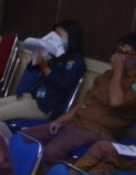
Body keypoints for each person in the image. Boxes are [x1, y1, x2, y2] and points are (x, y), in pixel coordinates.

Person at [23, 33, 136, 166]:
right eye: (118, 52)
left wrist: (118, 70)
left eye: (126, 54)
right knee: (25, 138)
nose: (120, 58)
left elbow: (116, 102)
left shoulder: (129, 81)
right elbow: (85, 103)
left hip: (96, 131)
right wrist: (62, 120)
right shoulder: (106, 76)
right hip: (76, 122)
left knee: (47, 153)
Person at [0, 21, 85, 123]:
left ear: (71, 37)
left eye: (59, 35)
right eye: (55, 35)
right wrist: (38, 56)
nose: (56, 39)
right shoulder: (55, 55)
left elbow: (63, 83)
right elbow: (31, 69)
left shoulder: (76, 61)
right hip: (30, 97)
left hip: (45, 107)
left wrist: (45, 68)